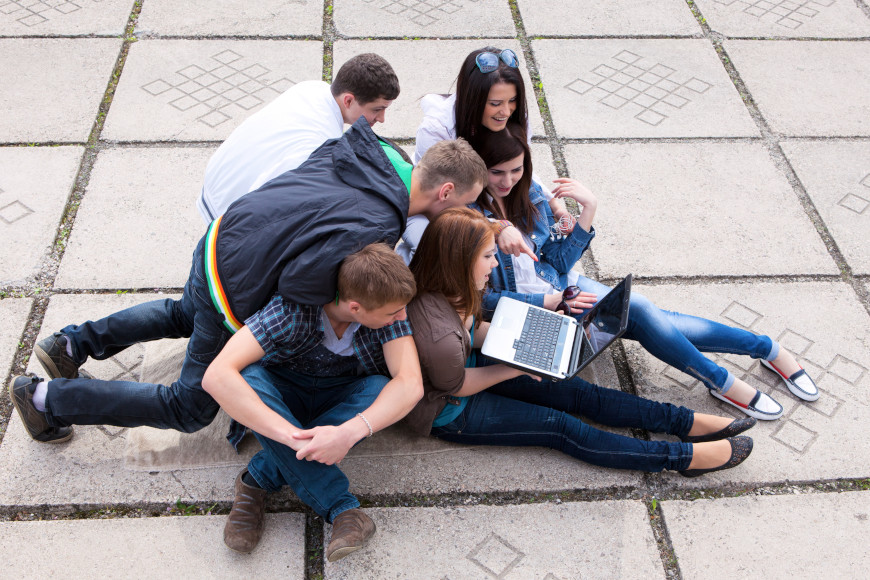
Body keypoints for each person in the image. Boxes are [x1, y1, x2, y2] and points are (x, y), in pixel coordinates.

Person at [10, 120, 487, 445]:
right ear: (444, 191)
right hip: (232, 291)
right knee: (191, 407)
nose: (457, 217)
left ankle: (71, 345)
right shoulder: (379, 223)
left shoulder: (378, 151)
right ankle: (45, 401)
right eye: (460, 205)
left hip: (220, 240)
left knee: (182, 313)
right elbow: (302, 285)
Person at [467, 121, 821, 420]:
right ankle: (731, 375)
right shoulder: (468, 221)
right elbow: (481, 300)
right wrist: (548, 299)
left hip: (564, 290)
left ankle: (762, 351)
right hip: (532, 313)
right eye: (497, 172)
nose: (508, 180)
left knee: (649, 313)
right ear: (481, 170)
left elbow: (556, 264)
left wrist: (588, 211)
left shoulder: (530, 195)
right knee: (640, 310)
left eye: (517, 170)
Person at [404, 207, 756, 477]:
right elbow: (459, 385)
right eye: (487, 257)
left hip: (470, 361)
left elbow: (475, 329)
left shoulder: (455, 286)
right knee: (561, 427)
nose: (494, 263)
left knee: (580, 392)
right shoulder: (439, 334)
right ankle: (682, 459)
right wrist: (514, 367)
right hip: (449, 407)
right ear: (459, 262)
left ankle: (684, 422)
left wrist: (531, 337)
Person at [202, 244, 421, 561]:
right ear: (356, 307)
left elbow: (410, 383)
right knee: (248, 378)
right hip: (284, 395)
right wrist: (294, 440)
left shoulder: (389, 310)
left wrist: (346, 434)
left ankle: (258, 478)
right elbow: (216, 376)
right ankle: (343, 509)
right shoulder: (292, 310)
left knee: (378, 387)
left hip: (340, 396)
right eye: (393, 313)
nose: (402, 317)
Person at [399, 46, 571, 263]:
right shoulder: (436, 128)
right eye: (495, 103)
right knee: (438, 252)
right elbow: (440, 200)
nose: (506, 112)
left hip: (477, 198)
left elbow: (519, 166)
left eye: (512, 100)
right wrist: (495, 226)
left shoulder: (515, 118)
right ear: (473, 100)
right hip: (434, 204)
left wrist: (554, 204)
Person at [197, 53, 400, 222]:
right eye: (377, 109)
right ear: (348, 100)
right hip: (225, 210)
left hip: (216, 179)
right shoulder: (318, 146)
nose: (381, 119)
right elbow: (267, 202)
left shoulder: (312, 88)